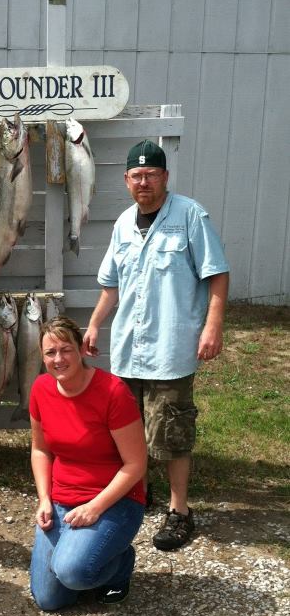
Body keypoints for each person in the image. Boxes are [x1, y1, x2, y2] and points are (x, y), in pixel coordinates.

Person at [83, 140, 230, 552]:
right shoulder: (123, 224)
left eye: (151, 174)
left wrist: (213, 326)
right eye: (137, 175)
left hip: (170, 348)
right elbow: (111, 285)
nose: (143, 182)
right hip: (129, 349)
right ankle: (138, 494)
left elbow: (217, 274)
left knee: (172, 432)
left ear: (165, 176)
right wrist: (94, 324)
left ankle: (179, 510)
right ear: (126, 180)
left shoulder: (190, 216)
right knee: (127, 429)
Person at [29, 316, 147, 612]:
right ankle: (85, 554)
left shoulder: (113, 392)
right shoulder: (41, 389)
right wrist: (44, 499)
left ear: (81, 349)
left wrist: (95, 507)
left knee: (73, 572)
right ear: (42, 356)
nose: (58, 359)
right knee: (49, 600)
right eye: (50, 352)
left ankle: (120, 564)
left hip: (114, 500)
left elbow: (136, 464)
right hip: (63, 500)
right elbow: (40, 450)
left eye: (66, 349)